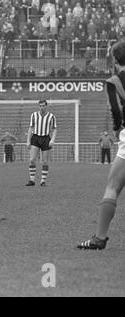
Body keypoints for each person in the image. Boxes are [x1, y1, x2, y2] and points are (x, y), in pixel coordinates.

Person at [78, 40, 125, 250]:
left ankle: (99, 238)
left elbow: (116, 112)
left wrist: (117, 129)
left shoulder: (114, 81)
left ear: (115, 59)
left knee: (112, 187)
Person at [25, 100, 57, 186]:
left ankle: (43, 181)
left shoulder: (51, 116)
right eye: (40, 106)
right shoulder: (34, 115)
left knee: (45, 161)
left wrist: (52, 140)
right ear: (38, 106)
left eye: (43, 106)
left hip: (46, 138)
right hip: (35, 137)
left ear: (46, 106)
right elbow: (30, 128)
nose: (42, 107)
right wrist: (28, 141)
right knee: (32, 160)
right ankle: (32, 180)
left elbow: (54, 129)